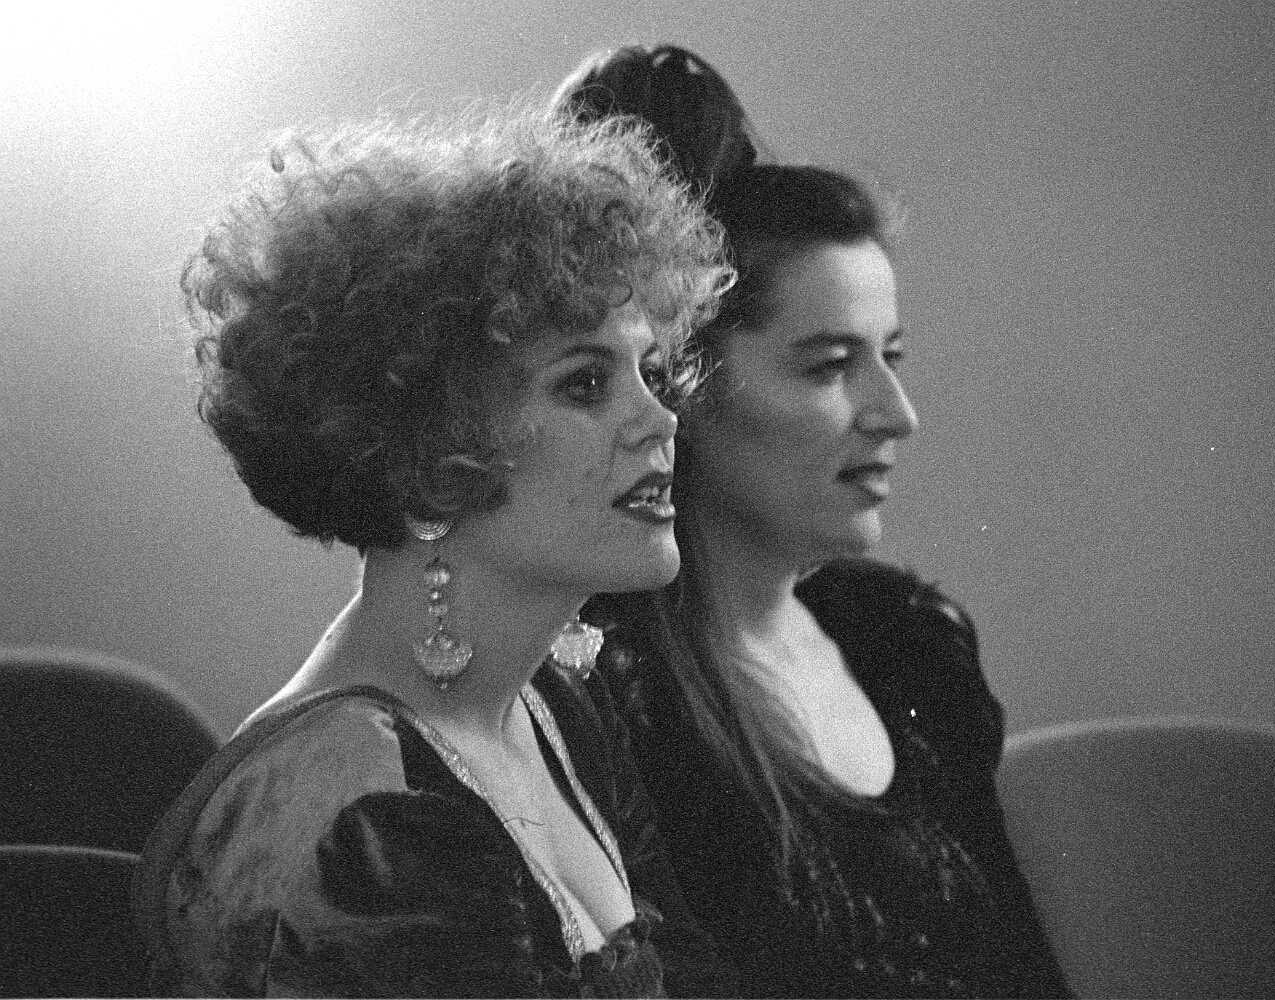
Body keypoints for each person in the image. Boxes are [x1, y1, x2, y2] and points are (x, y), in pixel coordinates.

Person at [132, 107, 736, 997]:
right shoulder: (365, 815)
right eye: (584, 383)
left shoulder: (556, 709)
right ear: (426, 459)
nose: (660, 420)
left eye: (650, 371)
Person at [557, 47, 1074, 998]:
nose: (896, 415)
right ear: (681, 387)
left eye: (889, 358)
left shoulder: (907, 641)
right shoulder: (611, 698)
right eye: (830, 366)